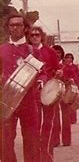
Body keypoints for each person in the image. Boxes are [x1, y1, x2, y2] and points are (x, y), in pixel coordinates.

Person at [1, 14, 41, 161]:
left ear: (25, 28)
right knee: (5, 140)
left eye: (18, 25)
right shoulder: (2, 50)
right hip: (7, 100)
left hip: (28, 101)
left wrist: (41, 81)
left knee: (31, 140)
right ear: (8, 28)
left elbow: (42, 73)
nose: (15, 28)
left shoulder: (33, 50)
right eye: (12, 25)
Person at [28, 26, 62, 162]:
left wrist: (60, 72)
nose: (35, 37)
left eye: (37, 34)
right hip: (33, 92)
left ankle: (47, 154)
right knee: (34, 124)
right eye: (32, 35)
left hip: (49, 92)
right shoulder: (27, 51)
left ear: (42, 36)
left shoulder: (50, 51)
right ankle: (37, 154)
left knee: (48, 123)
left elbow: (58, 67)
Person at [52, 52, 79, 147]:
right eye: (67, 58)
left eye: (70, 58)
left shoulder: (71, 67)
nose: (68, 59)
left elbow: (77, 77)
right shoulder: (56, 65)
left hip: (66, 90)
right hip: (56, 91)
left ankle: (66, 140)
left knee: (66, 116)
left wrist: (72, 79)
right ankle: (55, 140)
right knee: (55, 117)